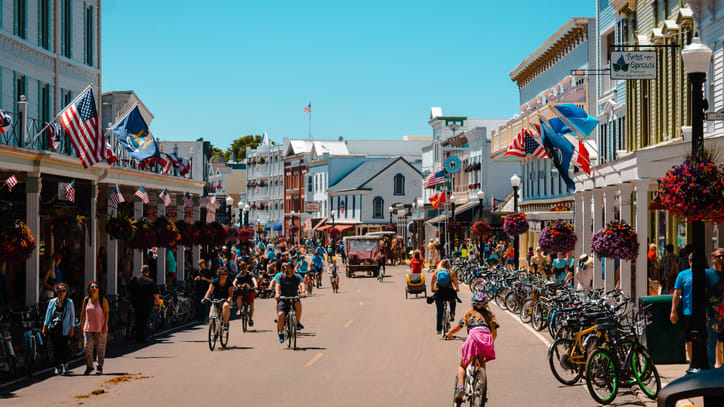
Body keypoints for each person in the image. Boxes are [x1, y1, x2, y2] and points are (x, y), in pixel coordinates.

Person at [445, 292, 498, 404]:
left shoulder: (469, 314)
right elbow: (494, 333)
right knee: (481, 360)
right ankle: (481, 385)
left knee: (463, 365)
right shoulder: (490, 315)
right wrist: (490, 342)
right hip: (486, 339)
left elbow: (458, 327)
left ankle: (460, 388)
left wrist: (449, 333)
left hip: (473, 338)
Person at [670, 253, 719, 373]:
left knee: (707, 339)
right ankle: (692, 363)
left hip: (703, 312)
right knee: (689, 339)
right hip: (688, 312)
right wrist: (673, 311)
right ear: (689, 262)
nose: (693, 263)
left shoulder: (706, 274)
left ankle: (707, 362)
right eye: (692, 261)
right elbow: (676, 293)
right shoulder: (683, 275)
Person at [42, 283, 75, 375]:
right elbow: (48, 315)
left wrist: (72, 328)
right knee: (55, 348)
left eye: (63, 291)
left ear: (66, 292)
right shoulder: (52, 302)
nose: (61, 293)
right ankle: (57, 366)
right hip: (54, 328)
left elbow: (72, 316)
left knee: (64, 347)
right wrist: (44, 327)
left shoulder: (69, 302)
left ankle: (65, 365)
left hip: (65, 328)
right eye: (59, 291)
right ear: (56, 291)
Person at [79, 281, 109, 375]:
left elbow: (107, 313)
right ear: (89, 289)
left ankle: (99, 366)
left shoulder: (102, 300)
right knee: (87, 347)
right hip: (88, 327)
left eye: (96, 287)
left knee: (100, 348)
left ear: (99, 289)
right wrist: (80, 323)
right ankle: (89, 366)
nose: (94, 288)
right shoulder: (86, 299)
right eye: (92, 287)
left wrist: (105, 325)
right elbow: (83, 312)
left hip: (100, 327)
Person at [275, 262, 307, 343]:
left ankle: (297, 322)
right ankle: (281, 332)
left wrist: (303, 292)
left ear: (292, 269)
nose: (286, 269)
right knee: (280, 315)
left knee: (298, 304)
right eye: (286, 268)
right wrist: (277, 293)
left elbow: (302, 284)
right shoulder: (280, 277)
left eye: (288, 268)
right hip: (283, 299)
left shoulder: (297, 277)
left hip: (293, 298)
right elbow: (277, 285)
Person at [128, 265, 159, 343]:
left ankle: (137, 336)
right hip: (147, 303)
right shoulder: (150, 281)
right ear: (148, 272)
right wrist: (158, 303)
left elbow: (129, 290)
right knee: (144, 320)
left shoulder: (135, 279)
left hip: (136, 303)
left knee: (138, 319)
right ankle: (142, 337)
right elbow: (155, 294)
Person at [706, 248, 724, 369]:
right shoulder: (707, 274)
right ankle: (711, 370)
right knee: (711, 344)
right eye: (719, 257)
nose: (722, 259)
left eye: (723, 256)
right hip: (712, 316)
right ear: (713, 258)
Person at [431, 259, 460, 334]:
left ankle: (439, 329)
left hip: (440, 292)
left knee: (439, 311)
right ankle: (452, 313)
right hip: (449, 292)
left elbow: (432, 281)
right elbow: (456, 283)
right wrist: (457, 289)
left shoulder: (437, 272)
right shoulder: (451, 272)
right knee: (453, 301)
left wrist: (433, 289)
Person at [202, 267, 234, 331]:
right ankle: (214, 333)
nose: (223, 276)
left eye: (225, 274)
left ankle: (225, 323)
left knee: (226, 306)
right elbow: (210, 291)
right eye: (222, 274)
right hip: (216, 300)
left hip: (225, 299)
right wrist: (205, 298)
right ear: (219, 275)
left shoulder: (229, 282)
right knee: (211, 317)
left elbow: (230, 293)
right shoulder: (215, 281)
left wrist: (229, 299)